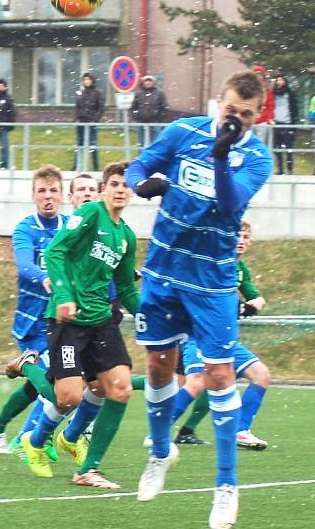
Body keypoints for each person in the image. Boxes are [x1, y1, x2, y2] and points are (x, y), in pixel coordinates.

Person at [126, 70, 272, 529]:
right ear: (219, 102)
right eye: (232, 110)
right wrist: (141, 184)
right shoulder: (181, 131)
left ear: (258, 116)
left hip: (213, 282)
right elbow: (136, 166)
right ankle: (160, 453)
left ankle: (226, 487)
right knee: (157, 366)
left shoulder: (256, 157)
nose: (238, 119)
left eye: (247, 115)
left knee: (220, 375)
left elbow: (230, 204)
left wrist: (224, 156)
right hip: (165, 271)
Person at [6, 161, 140, 489]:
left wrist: (153, 317)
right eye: (115, 184)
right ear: (104, 188)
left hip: (102, 322)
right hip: (68, 320)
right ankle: (27, 367)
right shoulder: (90, 213)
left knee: (118, 388)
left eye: (126, 185)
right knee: (69, 398)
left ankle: (88, 469)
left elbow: (125, 288)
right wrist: (64, 293)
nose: (121, 190)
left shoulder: (127, 236)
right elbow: (55, 251)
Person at [0, 165, 67, 460]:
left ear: (62, 195)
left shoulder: (71, 226)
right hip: (34, 322)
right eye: (42, 191)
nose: (48, 197)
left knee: (42, 384)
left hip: (64, 318)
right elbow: (23, 264)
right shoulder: (25, 229)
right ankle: (26, 439)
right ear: (33, 195)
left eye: (53, 191)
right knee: (51, 383)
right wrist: (45, 277)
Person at [172, 220, 270, 449]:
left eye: (246, 237)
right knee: (195, 382)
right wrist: (237, 306)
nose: (241, 241)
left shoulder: (239, 268)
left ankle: (241, 431)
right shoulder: (212, 261)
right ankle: (161, 428)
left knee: (261, 375)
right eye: (237, 236)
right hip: (197, 335)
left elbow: (255, 296)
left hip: (223, 339)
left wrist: (253, 304)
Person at [74, 73, 104, 171]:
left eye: (88, 79)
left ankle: (95, 167)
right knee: (80, 144)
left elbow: (101, 107)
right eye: (85, 79)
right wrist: (77, 118)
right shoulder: (81, 93)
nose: (87, 81)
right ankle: (76, 166)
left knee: (92, 144)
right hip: (81, 122)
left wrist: (95, 119)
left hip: (91, 122)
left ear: (92, 80)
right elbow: (77, 107)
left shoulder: (97, 93)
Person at [130, 75, 168, 147]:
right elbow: (133, 106)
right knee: (141, 142)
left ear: (153, 83)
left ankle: (154, 157)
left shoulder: (159, 93)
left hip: (155, 121)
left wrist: (160, 117)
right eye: (146, 81)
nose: (148, 83)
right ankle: (141, 156)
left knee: (156, 141)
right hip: (141, 121)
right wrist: (136, 116)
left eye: (150, 81)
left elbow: (164, 107)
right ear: (144, 82)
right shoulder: (138, 93)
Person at [271, 75, 298, 174]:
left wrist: (293, 121)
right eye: (277, 79)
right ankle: (280, 169)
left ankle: (290, 169)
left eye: (281, 79)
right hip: (276, 123)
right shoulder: (273, 93)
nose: (279, 81)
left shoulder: (289, 93)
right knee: (277, 148)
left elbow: (295, 108)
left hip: (287, 123)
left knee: (289, 148)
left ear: (285, 81)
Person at [252, 66, 274, 143]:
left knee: (260, 143)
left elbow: (270, 106)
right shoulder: (249, 88)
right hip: (250, 119)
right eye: (256, 75)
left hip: (262, 121)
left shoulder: (268, 90)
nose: (259, 77)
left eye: (260, 75)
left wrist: (269, 118)